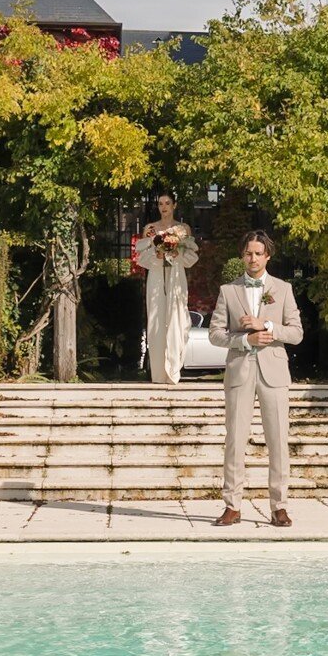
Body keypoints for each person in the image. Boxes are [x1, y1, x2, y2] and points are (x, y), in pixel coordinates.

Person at [209, 231, 302, 527]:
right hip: (240, 371)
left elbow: (297, 333)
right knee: (235, 440)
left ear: (267, 257)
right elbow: (215, 334)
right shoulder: (228, 290)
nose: (253, 258)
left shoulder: (283, 289)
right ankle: (232, 506)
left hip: (274, 373)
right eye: (248, 253)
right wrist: (246, 340)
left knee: (278, 441)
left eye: (258, 253)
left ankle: (279, 507)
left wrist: (268, 326)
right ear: (242, 256)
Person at [132, 194, 200, 385]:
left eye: (167, 203)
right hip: (156, 276)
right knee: (156, 320)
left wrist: (177, 253)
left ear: (174, 205)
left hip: (176, 276)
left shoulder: (182, 229)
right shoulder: (150, 229)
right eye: (160, 204)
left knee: (178, 318)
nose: (164, 207)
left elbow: (191, 257)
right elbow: (141, 258)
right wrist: (157, 254)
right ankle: (158, 374)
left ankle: (174, 369)